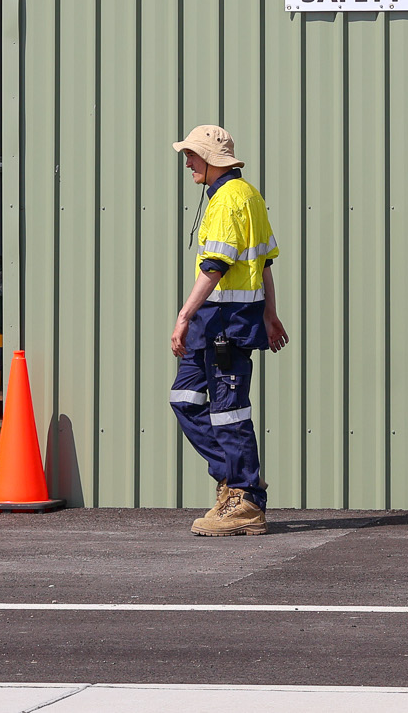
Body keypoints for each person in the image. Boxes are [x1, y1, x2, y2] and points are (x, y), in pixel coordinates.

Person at [169, 123, 288, 536]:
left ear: (211, 159)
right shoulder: (246, 195)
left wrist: (183, 316)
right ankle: (233, 479)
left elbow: (215, 268)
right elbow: (264, 264)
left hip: (224, 325)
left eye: (191, 155)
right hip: (218, 322)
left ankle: (246, 498)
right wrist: (271, 314)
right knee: (184, 397)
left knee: (229, 412)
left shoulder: (229, 201)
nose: (187, 162)